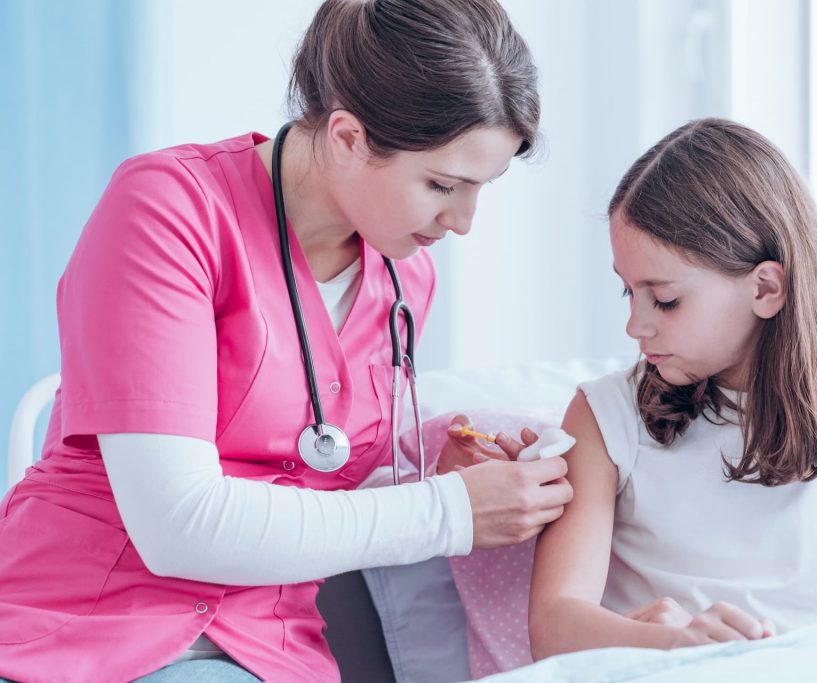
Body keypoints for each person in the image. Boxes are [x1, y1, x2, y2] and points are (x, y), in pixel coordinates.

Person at [0, 1, 572, 681]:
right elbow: (178, 521)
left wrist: (436, 479)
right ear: (348, 136)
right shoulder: (167, 211)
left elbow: (309, 475)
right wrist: (446, 511)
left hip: (272, 653)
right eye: (443, 184)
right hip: (85, 634)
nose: (464, 221)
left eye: (482, 188)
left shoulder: (404, 276)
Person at [528, 118, 817, 658]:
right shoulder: (604, 415)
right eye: (629, 292)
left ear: (765, 288)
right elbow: (553, 627)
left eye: (664, 299)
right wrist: (675, 643)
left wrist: (766, 659)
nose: (635, 326)